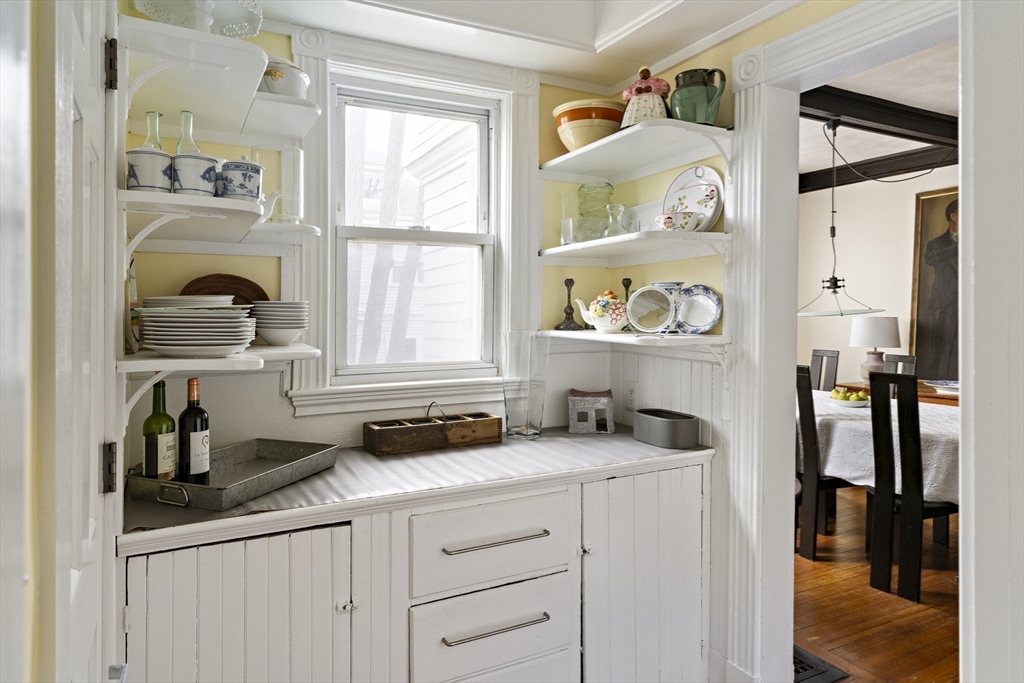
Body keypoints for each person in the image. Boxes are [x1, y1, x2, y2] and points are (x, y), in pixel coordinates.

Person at [922, 199, 958, 379]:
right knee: (942, 345)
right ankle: (938, 382)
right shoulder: (936, 243)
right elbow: (930, 259)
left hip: (973, 302)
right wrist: (960, 247)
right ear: (953, 216)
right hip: (946, 302)